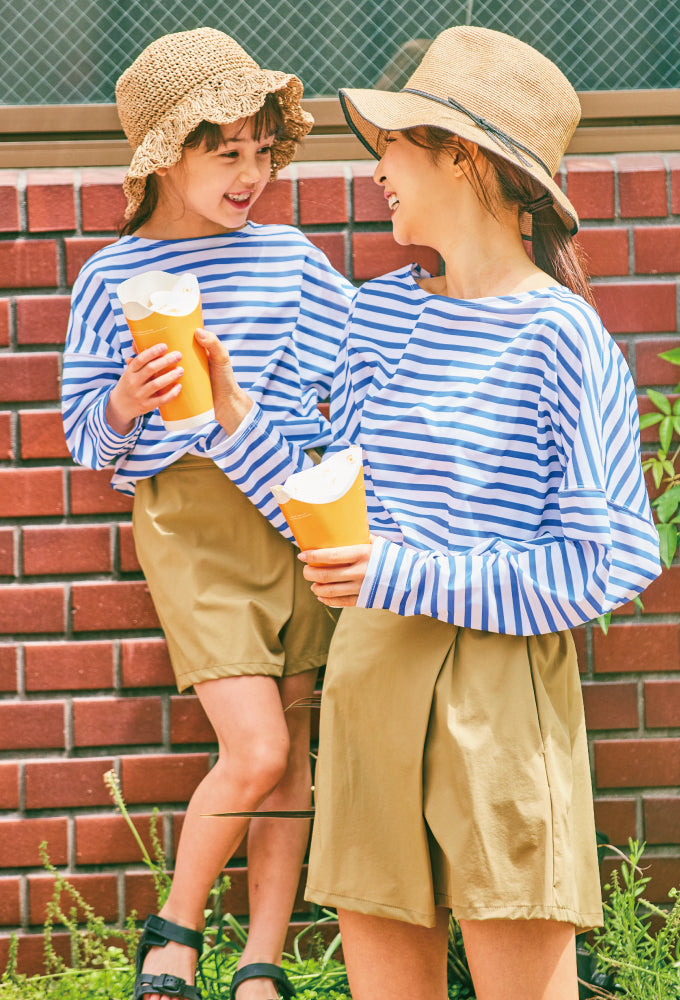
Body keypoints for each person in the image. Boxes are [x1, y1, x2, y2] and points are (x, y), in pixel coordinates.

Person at [196, 25, 661, 1000]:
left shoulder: (560, 337)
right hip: (371, 672)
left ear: (463, 156)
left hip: (498, 691)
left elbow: (607, 559)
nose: (378, 170)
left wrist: (398, 571)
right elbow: (329, 516)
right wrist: (229, 415)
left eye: (395, 145)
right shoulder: (381, 312)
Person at [60, 28, 356, 1000]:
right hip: (189, 521)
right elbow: (82, 435)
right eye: (223, 150)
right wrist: (127, 402)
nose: (250, 173)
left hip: (292, 502)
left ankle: (262, 961)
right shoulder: (111, 278)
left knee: (295, 740)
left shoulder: (294, 259)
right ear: (165, 155)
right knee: (257, 745)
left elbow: (346, 383)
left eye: (262, 150)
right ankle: (174, 934)